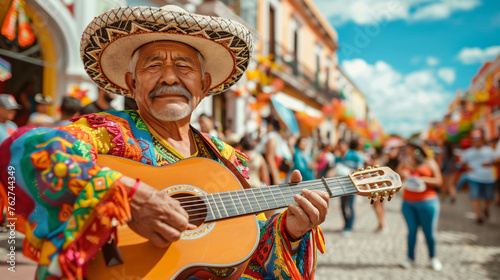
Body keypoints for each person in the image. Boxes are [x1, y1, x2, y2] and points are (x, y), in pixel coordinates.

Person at [0, 5, 329, 280]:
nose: (169, 77)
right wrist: (123, 196)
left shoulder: (229, 160)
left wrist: (290, 230)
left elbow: (248, 255)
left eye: (184, 66)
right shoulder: (106, 135)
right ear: (131, 83)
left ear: (204, 83)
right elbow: (22, 152)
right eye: (154, 65)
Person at [397, 138, 443, 271]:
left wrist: (421, 178)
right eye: (408, 148)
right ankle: (409, 258)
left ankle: (433, 258)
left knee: (429, 233)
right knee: (411, 232)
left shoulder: (429, 162)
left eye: (411, 148)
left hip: (427, 202)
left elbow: (438, 181)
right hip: (408, 202)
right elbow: (395, 178)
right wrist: (401, 174)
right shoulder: (404, 162)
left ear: (418, 149)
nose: (409, 151)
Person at [460, 134, 497, 224]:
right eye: (474, 140)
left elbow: (496, 161)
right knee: (475, 196)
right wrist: (467, 167)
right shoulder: (468, 152)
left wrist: (490, 164)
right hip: (474, 177)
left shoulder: (489, 150)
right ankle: (478, 216)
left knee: (489, 197)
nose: (477, 142)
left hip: (488, 178)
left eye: (478, 140)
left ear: (482, 141)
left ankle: (485, 209)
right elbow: (462, 163)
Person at [335, 139, 363, 236]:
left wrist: (352, 171)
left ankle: (349, 227)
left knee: (350, 206)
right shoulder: (338, 158)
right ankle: (346, 224)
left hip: (351, 185)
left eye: (342, 145)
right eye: (339, 146)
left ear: (346, 146)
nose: (340, 148)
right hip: (341, 186)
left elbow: (361, 170)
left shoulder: (355, 156)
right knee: (342, 206)